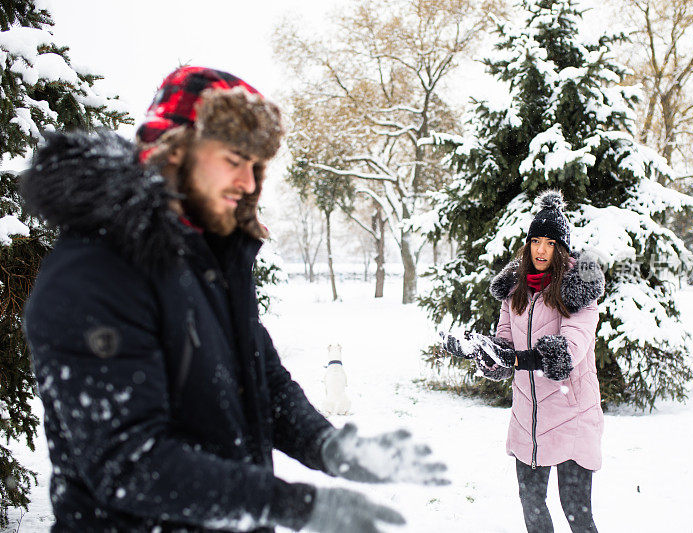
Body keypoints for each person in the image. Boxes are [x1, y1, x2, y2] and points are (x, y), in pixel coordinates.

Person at [21, 66, 447, 532]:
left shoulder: (205, 259)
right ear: (175, 149)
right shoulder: (96, 269)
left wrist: (328, 446)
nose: (248, 183)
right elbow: (130, 463)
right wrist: (294, 505)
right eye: (233, 159)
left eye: (256, 166)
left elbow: (264, 381)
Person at [441, 190, 604, 533]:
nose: (541, 250)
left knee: (576, 512)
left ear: (561, 248)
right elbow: (505, 345)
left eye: (550, 242)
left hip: (572, 415)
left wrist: (514, 358)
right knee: (532, 507)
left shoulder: (578, 290)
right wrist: (481, 352)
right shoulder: (515, 289)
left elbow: (569, 351)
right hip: (527, 417)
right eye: (535, 241)